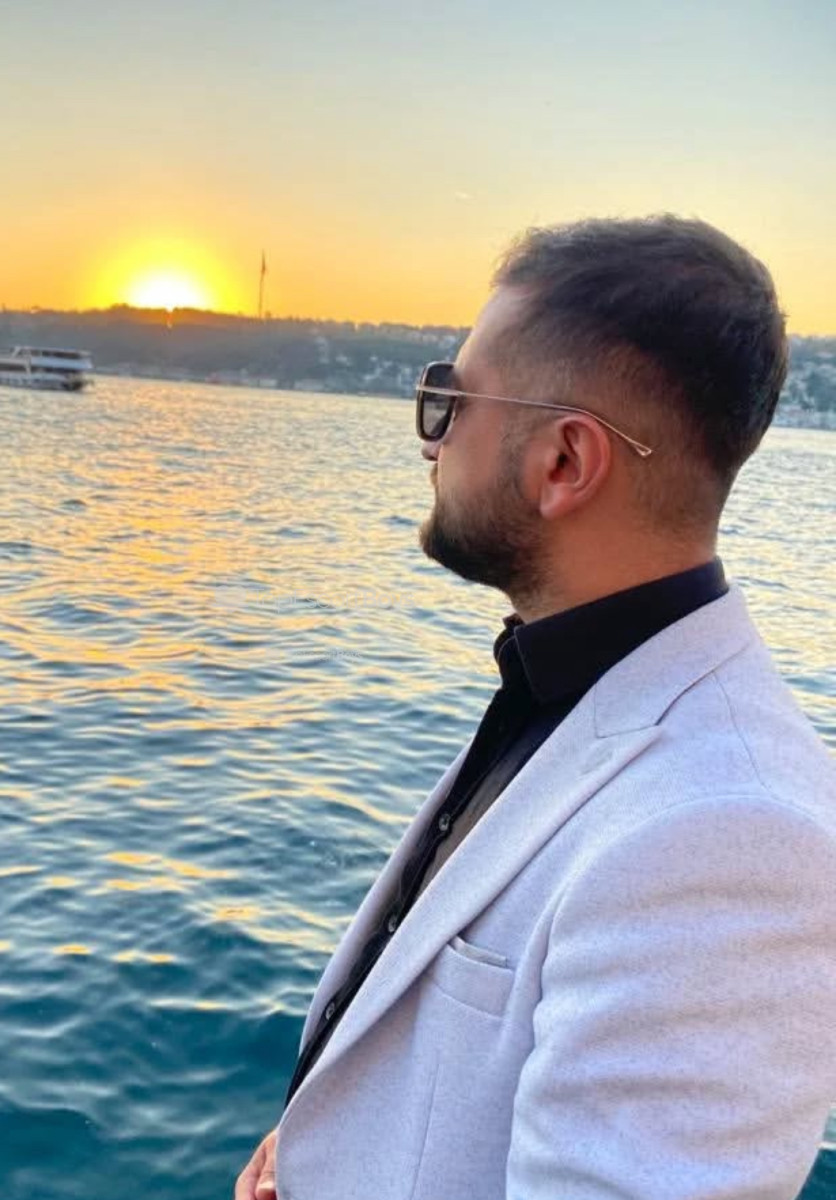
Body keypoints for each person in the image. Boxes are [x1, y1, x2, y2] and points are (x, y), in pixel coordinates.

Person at [234, 215, 836, 1200]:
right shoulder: (579, 686)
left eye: (449, 400)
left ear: (563, 462)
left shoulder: (732, 833)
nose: (429, 441)